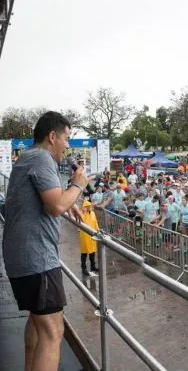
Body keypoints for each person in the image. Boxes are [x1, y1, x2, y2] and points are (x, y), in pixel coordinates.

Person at [1, 111, 83, 371]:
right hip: (37, 258)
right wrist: (78, 185)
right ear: (52, 136)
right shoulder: (41, 159)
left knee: (38, 323)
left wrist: (68, 199)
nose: (67, 145)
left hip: (22, 256)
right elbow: (56, 205)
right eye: (66, 138)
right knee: (53, 332)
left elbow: (53, 199)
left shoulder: (28, 158)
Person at [79, 200, 101, 277]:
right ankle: (83, 268)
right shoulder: (81, 213)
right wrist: (84, 212)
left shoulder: (92, 213)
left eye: (89, 206)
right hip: (84, 234)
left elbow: (95, 222)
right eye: (86, 206)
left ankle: (93, 266)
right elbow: (81, 221)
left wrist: (98, 229)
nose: (88, 208)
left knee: (92, 251)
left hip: (92, 234)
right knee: (84, 251)